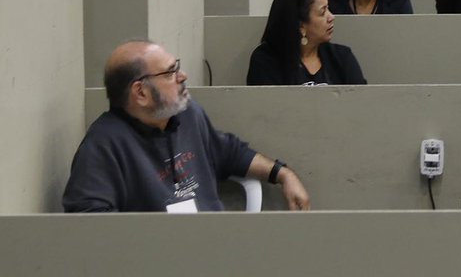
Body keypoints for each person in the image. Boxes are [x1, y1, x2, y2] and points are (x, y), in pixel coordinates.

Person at [63, 40, 311, 212]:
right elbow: (90, 225)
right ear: (140, 93)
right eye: (170, 72)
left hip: (215, 247)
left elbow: (229, 152)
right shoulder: (102, 146)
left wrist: (283, 174)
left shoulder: (189, 115)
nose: (183, 77)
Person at [247, 0, 367, 85]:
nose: (331, 17)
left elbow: (361, 102)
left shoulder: (342, 57)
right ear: (300, 25)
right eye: (322, 12)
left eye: (328, 8)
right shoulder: (265, 61)